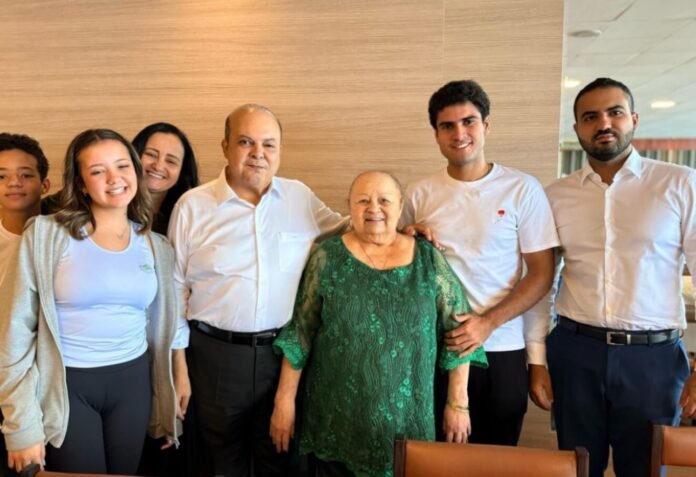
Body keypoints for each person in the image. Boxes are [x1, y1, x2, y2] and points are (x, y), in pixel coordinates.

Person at [528, 77, 696, 477]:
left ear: (633, 119)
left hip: (653, 360)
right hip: (575, 352)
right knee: (577, 467)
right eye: (590, 117)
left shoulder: (679, 183)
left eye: (614, 112)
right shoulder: (554, 196)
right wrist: (537, 360)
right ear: (577, 129)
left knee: (644, 469)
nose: (603, 123)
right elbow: (540, 282)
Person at [168, 104, 347, 477]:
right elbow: (174, 292)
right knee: (218, 466)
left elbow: (348, 231)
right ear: (225, 146)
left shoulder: (299, 197)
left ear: (280, 150)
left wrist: (403, 229)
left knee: (281, 462)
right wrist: (178, 371)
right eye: (245, 142)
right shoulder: (193, 206)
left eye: (269, 144)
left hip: (281, 358)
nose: (258, 154)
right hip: (213, 358)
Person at [270, 170, 487, 476]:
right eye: (363, 200)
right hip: (335, 416)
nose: (374, 208)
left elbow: (460, 334)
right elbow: (300, 334)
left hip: (408, 420)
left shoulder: (428, 260)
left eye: (384, 200)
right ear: (350, 206)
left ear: (400, 207)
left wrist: (458, 404)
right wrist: (284, 401)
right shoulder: (327, 257)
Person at [0, 129, 190, 475]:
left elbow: (163, 324)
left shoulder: (157, 245)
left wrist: (173, 384)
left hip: (132, 382)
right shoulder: (45, 234)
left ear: (135, 172)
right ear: (82, 183)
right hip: (68, 386)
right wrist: (21, 427)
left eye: (122, 166)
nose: (114, 178)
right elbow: (14, 335)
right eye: (98, 171)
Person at [400, 79, 559, 446]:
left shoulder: (522, 188)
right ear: (436, 134)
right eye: (448, 126)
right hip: (435, 350)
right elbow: (396, 262)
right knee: (434, 459)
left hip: (501, 347)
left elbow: (541, 273)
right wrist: (406, 237)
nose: (459, 134)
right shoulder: (419, 193)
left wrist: (487, 324)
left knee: (495, 458)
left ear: (486, 125)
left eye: (468, 122)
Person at [0, 133, 51, 477]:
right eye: (2, 175)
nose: (14, 182)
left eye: (26, 174)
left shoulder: (63, 238)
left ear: (45, 185)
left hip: (54, 384)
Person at [132, 122, 200, 235]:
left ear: (182, 171)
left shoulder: (188, 217)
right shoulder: (111, 209)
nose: (158, 166)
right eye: (151, 154)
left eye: (170, 161)